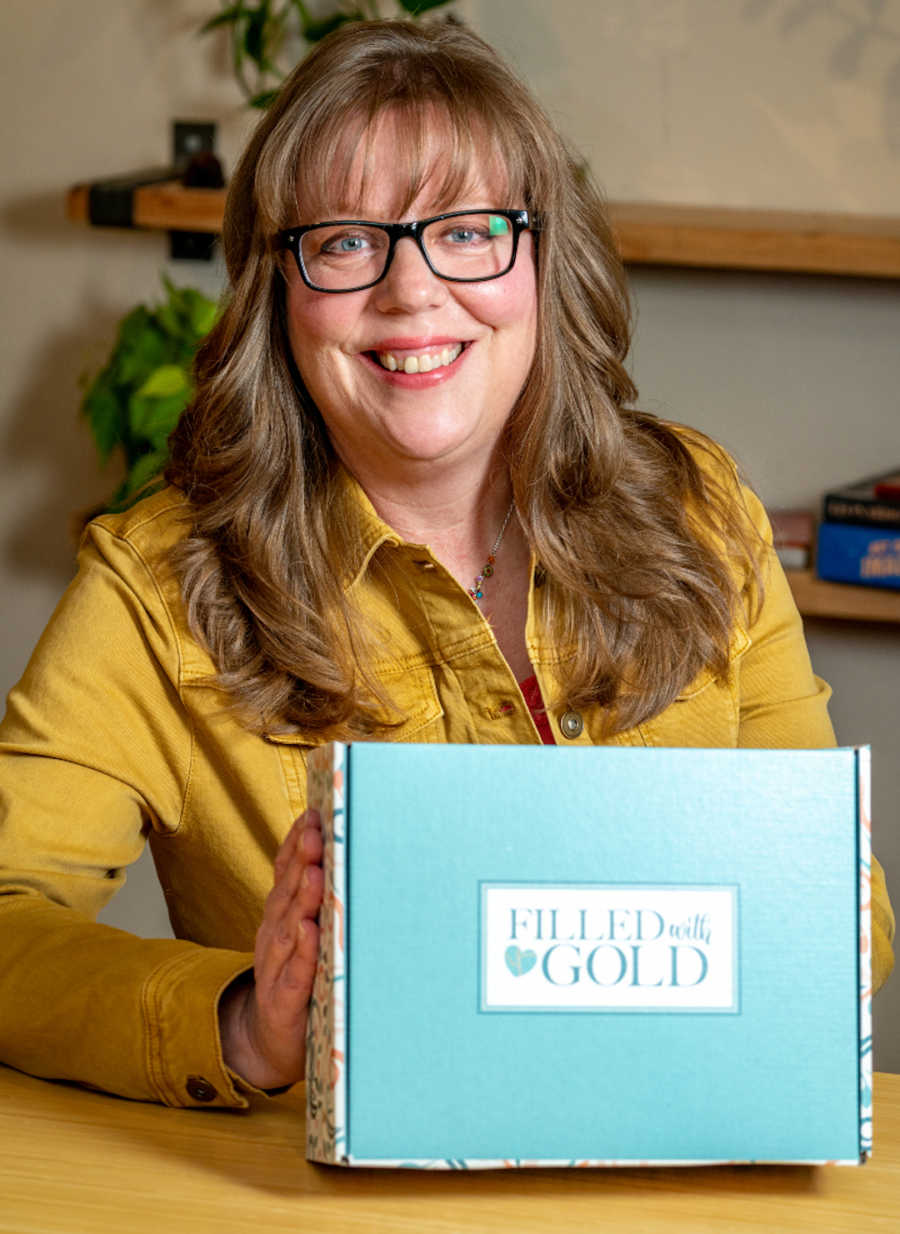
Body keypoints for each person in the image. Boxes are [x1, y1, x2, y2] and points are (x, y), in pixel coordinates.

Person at [0, 19, 893, 1108]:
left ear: (540, 261)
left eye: (467, 230)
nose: (411, 293)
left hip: (680, 1160)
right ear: (277, 292)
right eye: (344, 241)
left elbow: (848, 918)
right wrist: (240, 1016)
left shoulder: (705, 515)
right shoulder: (158, 584)